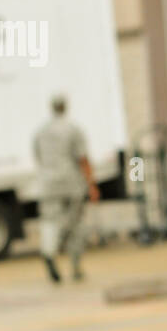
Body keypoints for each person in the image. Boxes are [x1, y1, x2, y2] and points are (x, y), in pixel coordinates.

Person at [33, 95, 99, 282]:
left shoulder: (41, 132)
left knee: (50, 221)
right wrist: (92, 185)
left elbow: (38, 157)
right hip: (71, 184)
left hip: (48, 184)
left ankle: (48, 251)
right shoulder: (73, 129)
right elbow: (82, 159)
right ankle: (76, 266)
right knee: (76, 225)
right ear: (65, 107)